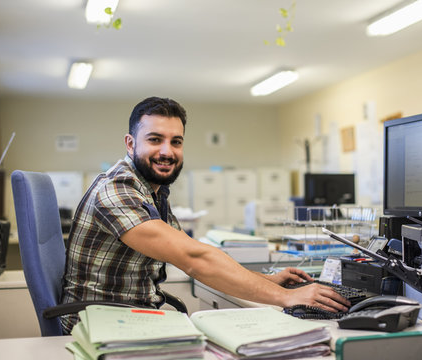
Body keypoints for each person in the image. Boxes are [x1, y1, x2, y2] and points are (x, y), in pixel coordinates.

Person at [60, 96, 350, 333]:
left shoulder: (151, 190)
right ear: (130, 143)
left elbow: (193, 249)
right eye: (155, 139)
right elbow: (194, 260)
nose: (167, 151)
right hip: (98, 328)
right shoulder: (117, 190)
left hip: (127, 320)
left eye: (176, 141)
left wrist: (265, 280)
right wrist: (287, 296)